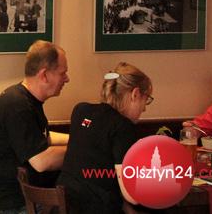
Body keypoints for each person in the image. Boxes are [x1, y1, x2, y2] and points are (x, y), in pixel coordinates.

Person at [0, 41, 70, 213]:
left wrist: (79, 138)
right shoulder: (17, 105)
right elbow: (41, 161)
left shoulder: (23, 99)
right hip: (8, 206)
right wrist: (83, 150)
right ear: (44, 75)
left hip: (19, 200)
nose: (67, 79)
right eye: (62, 73)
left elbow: (41, 137)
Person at [57, 62, 153, 214]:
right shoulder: (123, 127)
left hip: (63, 207)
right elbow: (131, 195)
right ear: (135, 94)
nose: (145, 108)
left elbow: (99, 176)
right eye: (146, 99)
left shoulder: (80, 111)